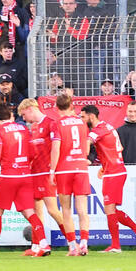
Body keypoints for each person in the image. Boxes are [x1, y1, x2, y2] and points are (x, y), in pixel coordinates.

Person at [0, 103, 49, 257]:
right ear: (12, 115)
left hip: (8, 176)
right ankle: (44, 244)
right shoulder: (24, 129)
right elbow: (33, 152)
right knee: (30, 212)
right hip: (25, 175)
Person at [82, 105, 136, 253]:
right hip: (114, 170)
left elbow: (87, 142)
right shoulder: (107, 126)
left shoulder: (98, 130)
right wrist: (104, 166)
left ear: (91, 116)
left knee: (109, 209)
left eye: (83, 117)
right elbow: (116, 148)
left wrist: (82, 158)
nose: (82, 120)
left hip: (114, 173)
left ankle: (118, 244)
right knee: (110, 209)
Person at [18, 98, 67, 256]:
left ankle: (73, 242)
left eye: (24, 114)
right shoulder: (33, 127)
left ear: (31, 108)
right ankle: (37, 246)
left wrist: (53, 170)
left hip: (46, 173)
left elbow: (56, 148)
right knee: (35, 210)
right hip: (34, 173)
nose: (23, 118)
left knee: (52, 210)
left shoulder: (51, 123)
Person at [54, 93, 90, 256]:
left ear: (57, 107)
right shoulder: (83, 123)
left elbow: (56, 148)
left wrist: (51, 170)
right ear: (71, 106)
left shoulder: (58, 124)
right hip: (81, 167)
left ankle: (72, 245)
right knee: (82, 209)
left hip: (64, 169)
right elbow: (87, 148)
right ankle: (84, 243)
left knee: (66, 210)